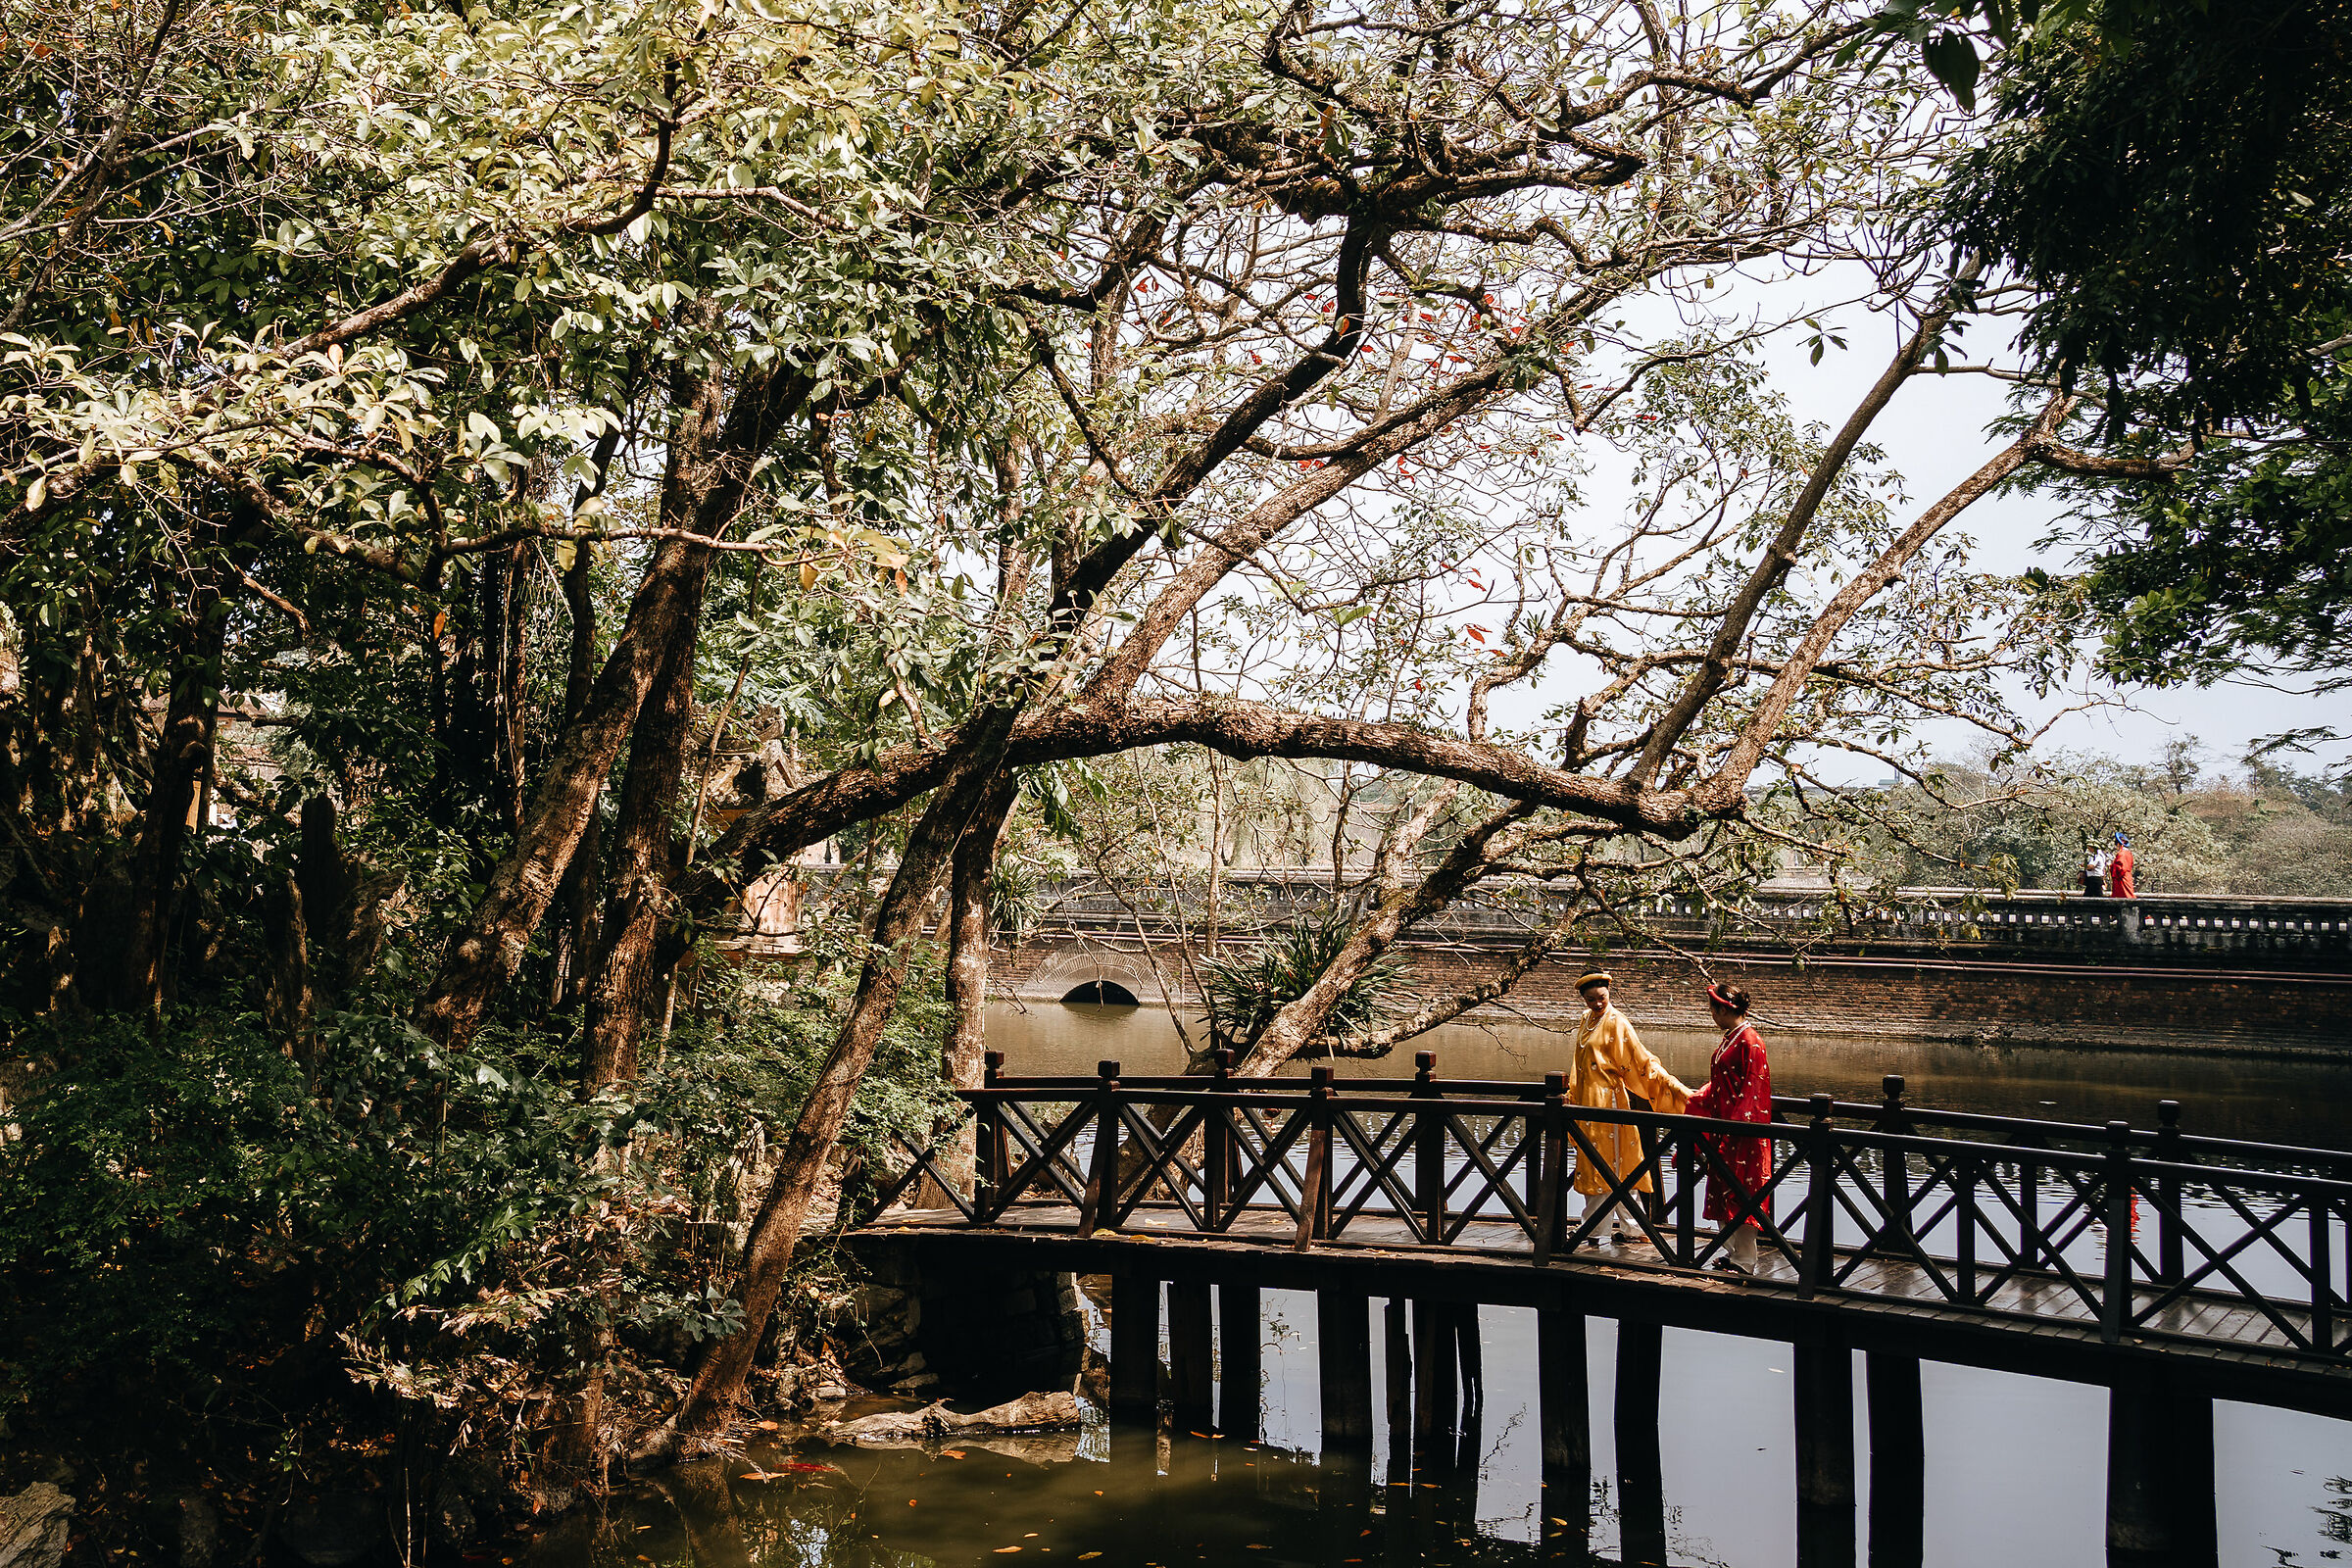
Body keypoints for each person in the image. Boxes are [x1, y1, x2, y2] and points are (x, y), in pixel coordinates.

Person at [1564, 972, 1690, 1245]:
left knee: (1610, 1166)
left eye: (1602, 998)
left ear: (1609, 994)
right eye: (1590, 999)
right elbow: (1577, 1064)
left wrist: (1672, 1087)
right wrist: (1571, 1095)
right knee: (1606, 1167)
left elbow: (1640, 1060)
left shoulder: (1617, 1022)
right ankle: (1632, 1228)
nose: (1597, 1004)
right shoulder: (1586, 1020)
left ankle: (1594, 1229)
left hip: (1608, 1103)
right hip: (1586, 1102)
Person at [1685, 983, 1773, 1275]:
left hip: (1743, 1132)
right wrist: (1698, 1099)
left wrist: (1737, 1125)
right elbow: (1722, 1084)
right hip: (1726, 1128)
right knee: (1724, 1191)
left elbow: (1754, 1088)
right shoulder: (1731, 1039)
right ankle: (1733, 1253)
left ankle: (1745, 1261)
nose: (1711, 1014)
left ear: (1723, 1009)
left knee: (1743, 1194)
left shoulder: (1750, 1041)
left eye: (1712, 1009)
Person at [2109, 831, 2136, 899]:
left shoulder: (2122, 854)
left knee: (2124, 894)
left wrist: (2112, 866)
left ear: (2119, 844)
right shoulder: (2128, 853)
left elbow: (2121, 867)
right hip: (2127, 876)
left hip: (2122, 878)